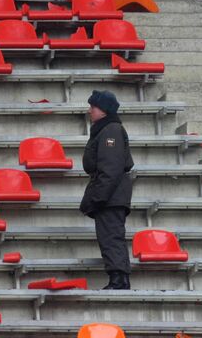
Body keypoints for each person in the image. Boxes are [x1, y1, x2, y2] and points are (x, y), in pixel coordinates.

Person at [79, 90, 134, 290]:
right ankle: (117, 278)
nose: (89, 110)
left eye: (93, 107)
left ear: (103, 110)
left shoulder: (110, 130)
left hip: (111, 195)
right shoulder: (106, 129)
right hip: (111, 194)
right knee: (109, 236)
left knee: (111, 236)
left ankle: (119, 280)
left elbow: (110, 168)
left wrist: (99, 198)